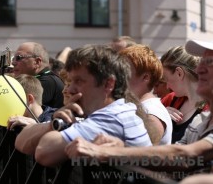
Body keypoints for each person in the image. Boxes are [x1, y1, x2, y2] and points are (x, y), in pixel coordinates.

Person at [64, 39, 213, 179]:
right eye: (201, 62)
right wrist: (123, 148)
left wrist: (105, 152)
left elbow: (186, 157)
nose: (199, 69)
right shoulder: (201, 122)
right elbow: (170, 162)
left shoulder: (155, 111)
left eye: (209, 62)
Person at [15, 44, 152, 167]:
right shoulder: (116, 111)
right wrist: (53, 124)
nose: (69, 90)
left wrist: (56, 125)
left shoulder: (111, 118)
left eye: (79, 81)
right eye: (71, 81)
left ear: (108, 84)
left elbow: (43, 152)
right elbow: (20, 142)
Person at [119, 44, 172, 145]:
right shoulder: (137, 105)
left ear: (145, 77)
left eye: (125, 70)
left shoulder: (152, 112)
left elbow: (142, 153)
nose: (119, 75)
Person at [160, 46, 209, 143]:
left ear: (179, 73)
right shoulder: (170, 99)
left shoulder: (209, 108)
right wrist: (160, 115)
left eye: (166, 79)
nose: (167, 86)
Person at [12, 42, 64, 110]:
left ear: (37, 62)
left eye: (19, 58)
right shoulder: (46, 78)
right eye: (13, 58)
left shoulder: (47, 81)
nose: (13, 63)